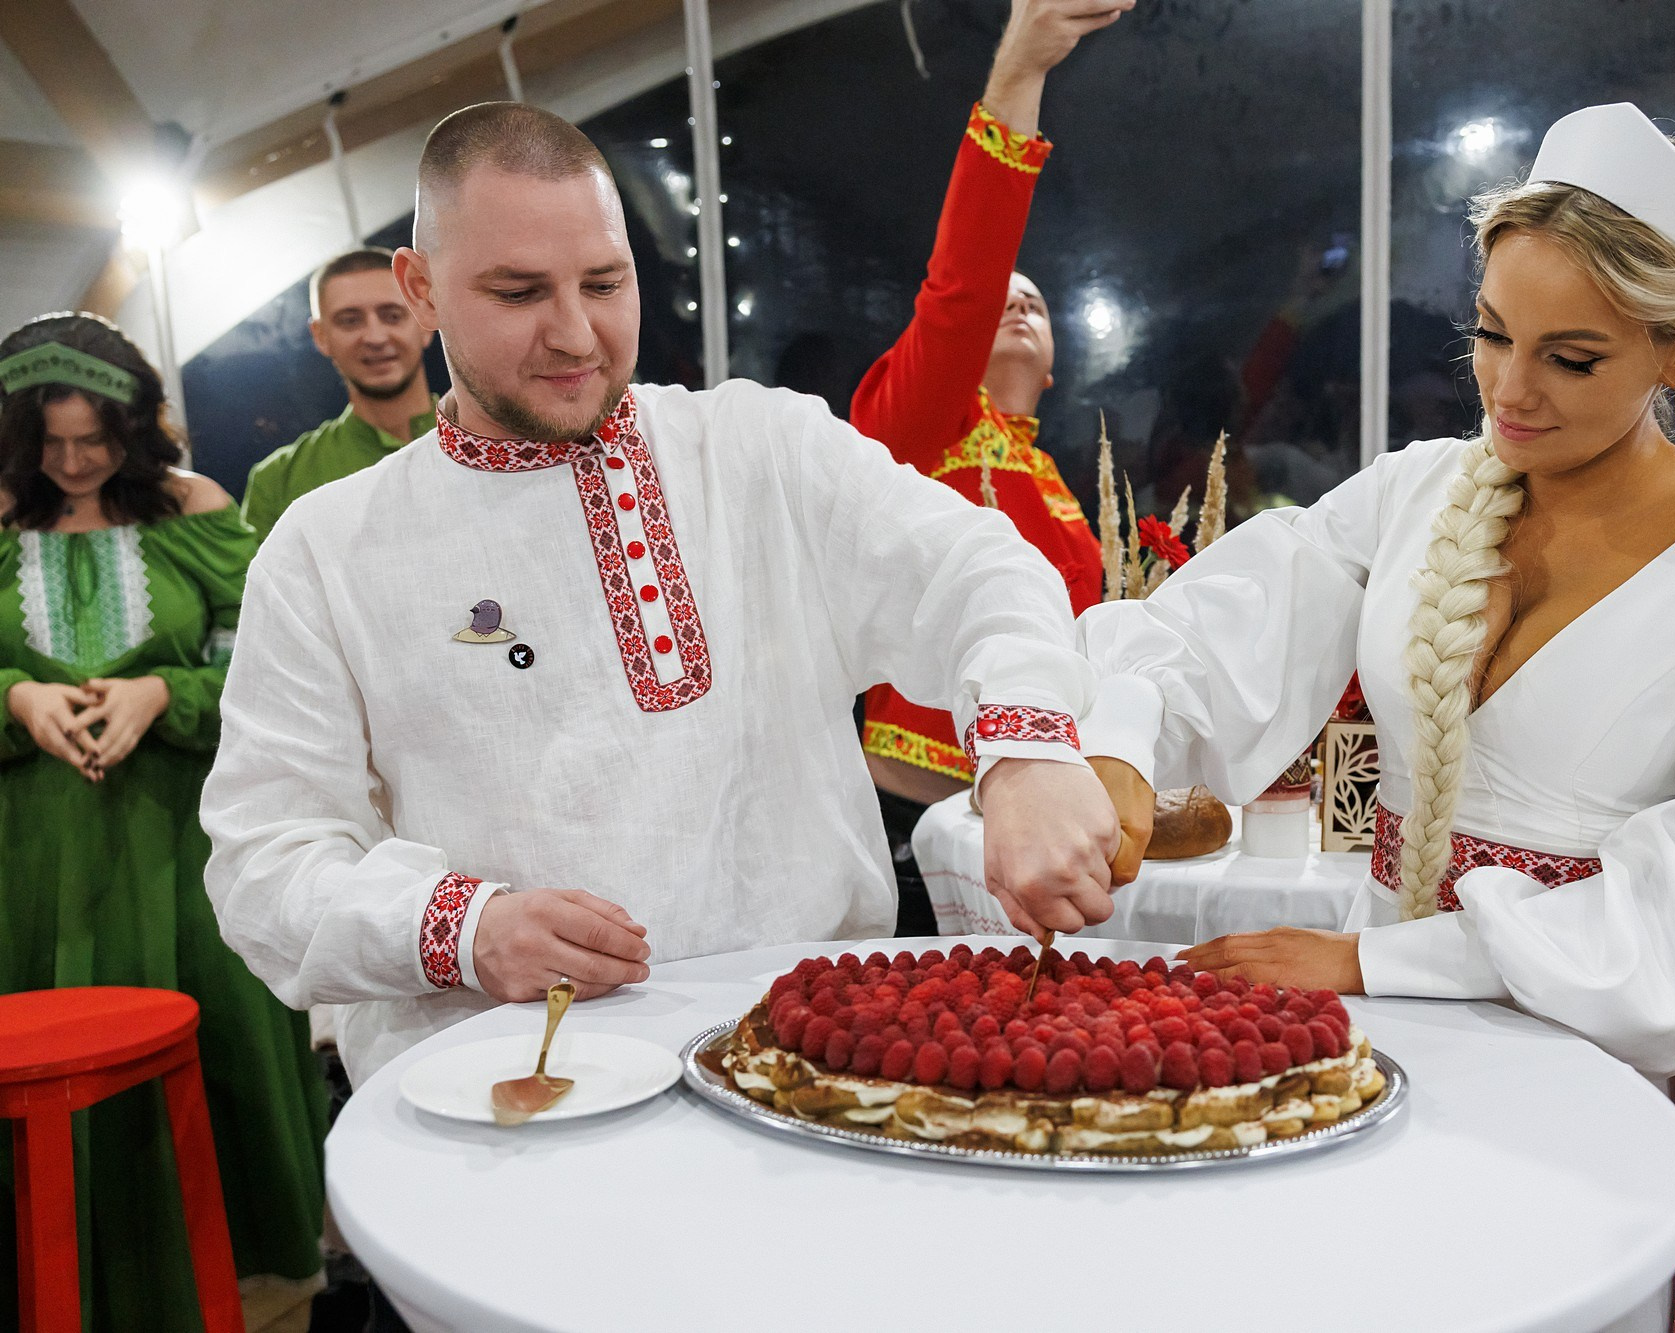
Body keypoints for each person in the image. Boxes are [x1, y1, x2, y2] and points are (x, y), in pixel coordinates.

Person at [1072, 105, 1675, 1331]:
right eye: (1490, 335)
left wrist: (1373, 958)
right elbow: (1210, 632)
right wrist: (1117, 748)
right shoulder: (1418, 492)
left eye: (1570, 357)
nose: (1510, 389)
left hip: (1604, 1070)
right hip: (1390, 1048)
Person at [201, 101, 1128, 1089]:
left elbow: (975, 566)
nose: (573, 333)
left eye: (604, 283)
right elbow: (267, 860)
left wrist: (1026, 750)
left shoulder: (755, 449)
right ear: (419, 287)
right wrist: (463, 929)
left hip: (813, 1056)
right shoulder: (329, 548)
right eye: (518, 292)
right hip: (507, 1084)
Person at [0, 313, 327, 1329]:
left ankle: (245, 1285)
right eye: (47, 443)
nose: (73, 461)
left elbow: (271, 666)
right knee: (52, 1064)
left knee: (209, 1049)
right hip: (35, 856)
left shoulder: (197, 511)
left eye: (93, 438)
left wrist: (163, 695)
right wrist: (17, 697)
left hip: (182, 837)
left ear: (138, 425)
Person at [849, 0, 1130, 932]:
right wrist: (1019, 77)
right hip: (913, 832)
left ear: (1053, 364)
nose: (1013, 305)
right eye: (998, 300)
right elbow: (964, 283)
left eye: (1037, 302)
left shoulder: (1058, 488)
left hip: (1036, 826)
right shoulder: (914, 431)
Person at [242, 247, 438, 534]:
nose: (375, 337)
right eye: (350, 320)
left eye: (392, 315)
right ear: (320, 336)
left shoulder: (496, 441)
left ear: (426, 321)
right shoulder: (278, 481)